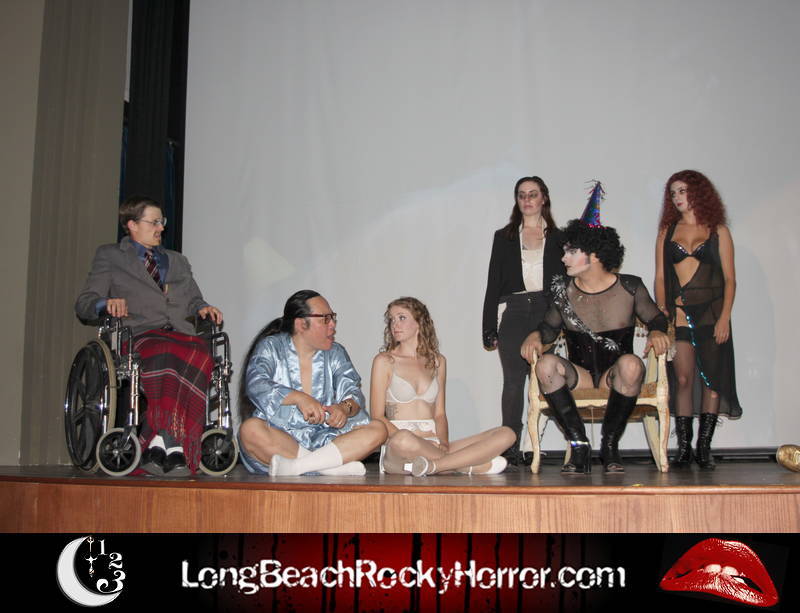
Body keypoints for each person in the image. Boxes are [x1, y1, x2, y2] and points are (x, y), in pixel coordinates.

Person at [522, 186, 670, 474]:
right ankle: (579, 445)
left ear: (596, 255)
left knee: (631, 364)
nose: (564, 258)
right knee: (545, 366)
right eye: (565, 251)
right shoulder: (563, 292)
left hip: (614, 376)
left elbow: (657, 319)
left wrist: (656, 331)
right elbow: (548, 330)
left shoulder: (630, 286)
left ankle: (610, 445)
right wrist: (535, 336)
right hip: (581, 376)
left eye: (571, 252)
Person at [75, 195, 224, 476]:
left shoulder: (177, 261)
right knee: (165, 354)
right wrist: (106, 303)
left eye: (161, 222)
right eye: (154, 222)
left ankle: (160, 441)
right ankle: (175, 444)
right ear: (132, 224)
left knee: (201, 352)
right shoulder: (111, 256)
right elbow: (84, 303)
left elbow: (194, 299)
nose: (161, 228)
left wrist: (202, 307)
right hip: (140, 334)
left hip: (180, 334)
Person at [238, 290, 387, 476]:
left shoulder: (336, 352)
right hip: (282, 441)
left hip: (328, 439)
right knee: (250, 430)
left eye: (332, 317)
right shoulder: (271, 347)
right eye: (325, 319)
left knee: (378, 429)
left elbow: (353, 393)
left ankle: (299, 467)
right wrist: (298, 398)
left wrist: (343, 408)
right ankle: (329, 467)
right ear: (301, 324)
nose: (332, 324)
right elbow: (256, 383)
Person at [655, 170, 742, 470]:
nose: (677, 197)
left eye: (683, 191)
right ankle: (683, 448)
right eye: (673, 193)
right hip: (680, 312)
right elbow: (660, 277)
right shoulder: (667, 231)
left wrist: (725, 318)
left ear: (699, 192)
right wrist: (663, 313)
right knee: (682, 378)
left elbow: (730, 279)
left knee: (712, 380)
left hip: (713, 313)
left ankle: (704, 448)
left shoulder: (718, 230)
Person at [372, 297, 514, 476]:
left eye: (401, 318)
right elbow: (377, 417)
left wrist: (444, 443)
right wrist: (419, 442)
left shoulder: (438, 361)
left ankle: (434, 466)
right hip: (400, 447)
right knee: (404, 439)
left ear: (419, 322)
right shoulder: (384, 361)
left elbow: (439, 414)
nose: (395, 324)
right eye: (391, 319)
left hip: (434, 444)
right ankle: (464, 466)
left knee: (507, 433)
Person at [482, 176, 566, 466]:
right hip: (515, 311)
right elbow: (493, 283)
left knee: (545, 379)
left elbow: (566, 285)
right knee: (513, 382)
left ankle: (553, 442)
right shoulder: (504, 237)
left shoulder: (559, 238)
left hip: (547, 312)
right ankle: (510, 446)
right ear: (517, 200)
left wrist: (565, 322)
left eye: (533, 194)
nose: (527, 200)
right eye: (522, 195)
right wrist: (488, 326)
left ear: (544, 198)